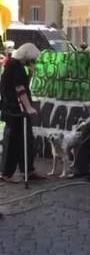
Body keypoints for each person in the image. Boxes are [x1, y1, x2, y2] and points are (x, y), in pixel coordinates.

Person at [0, 43, 45, 183]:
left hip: (15, 109)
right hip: (15, 110)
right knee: (14, 141)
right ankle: (7, 173)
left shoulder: (15, 65)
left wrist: (31, 72)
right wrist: (28, 108)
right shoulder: (15, 66)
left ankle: (28, 169)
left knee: (26, 139)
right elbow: (20, 89)